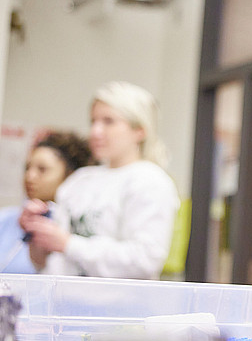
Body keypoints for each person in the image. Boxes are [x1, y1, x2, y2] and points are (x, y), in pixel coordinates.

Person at [20, 81, 180, 280]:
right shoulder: (79, 180)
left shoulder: (150, 181)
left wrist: (69, 244)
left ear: (140, 130)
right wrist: (38, 233)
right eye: (93, 121)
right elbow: (44, 262)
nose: (96, 132)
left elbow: (144, 261)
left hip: (117, 310)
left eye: (109, 121)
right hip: (65, 303)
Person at [0, 132, 93, 274]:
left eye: (42, 169)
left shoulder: (78, 227)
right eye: (27, 168)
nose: (30, 176)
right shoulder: (5, 219)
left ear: (70, 175)